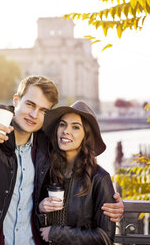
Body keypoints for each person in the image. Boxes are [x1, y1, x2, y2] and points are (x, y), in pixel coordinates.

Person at [0, 75, 124, 245]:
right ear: (16, 101)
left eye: (43, 110)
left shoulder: (47, 148)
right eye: (30, 105)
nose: (34, 114)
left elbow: (77, 173)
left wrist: (111, 202)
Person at [34, 100, 116, 245]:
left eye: (75, 127)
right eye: (62, 124)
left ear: (86, 136)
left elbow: (105, 238)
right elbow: (36, 225)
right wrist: (40, 210)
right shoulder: (47, 172)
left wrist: (57, 233)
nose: (66, 131)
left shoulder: (100, 178)